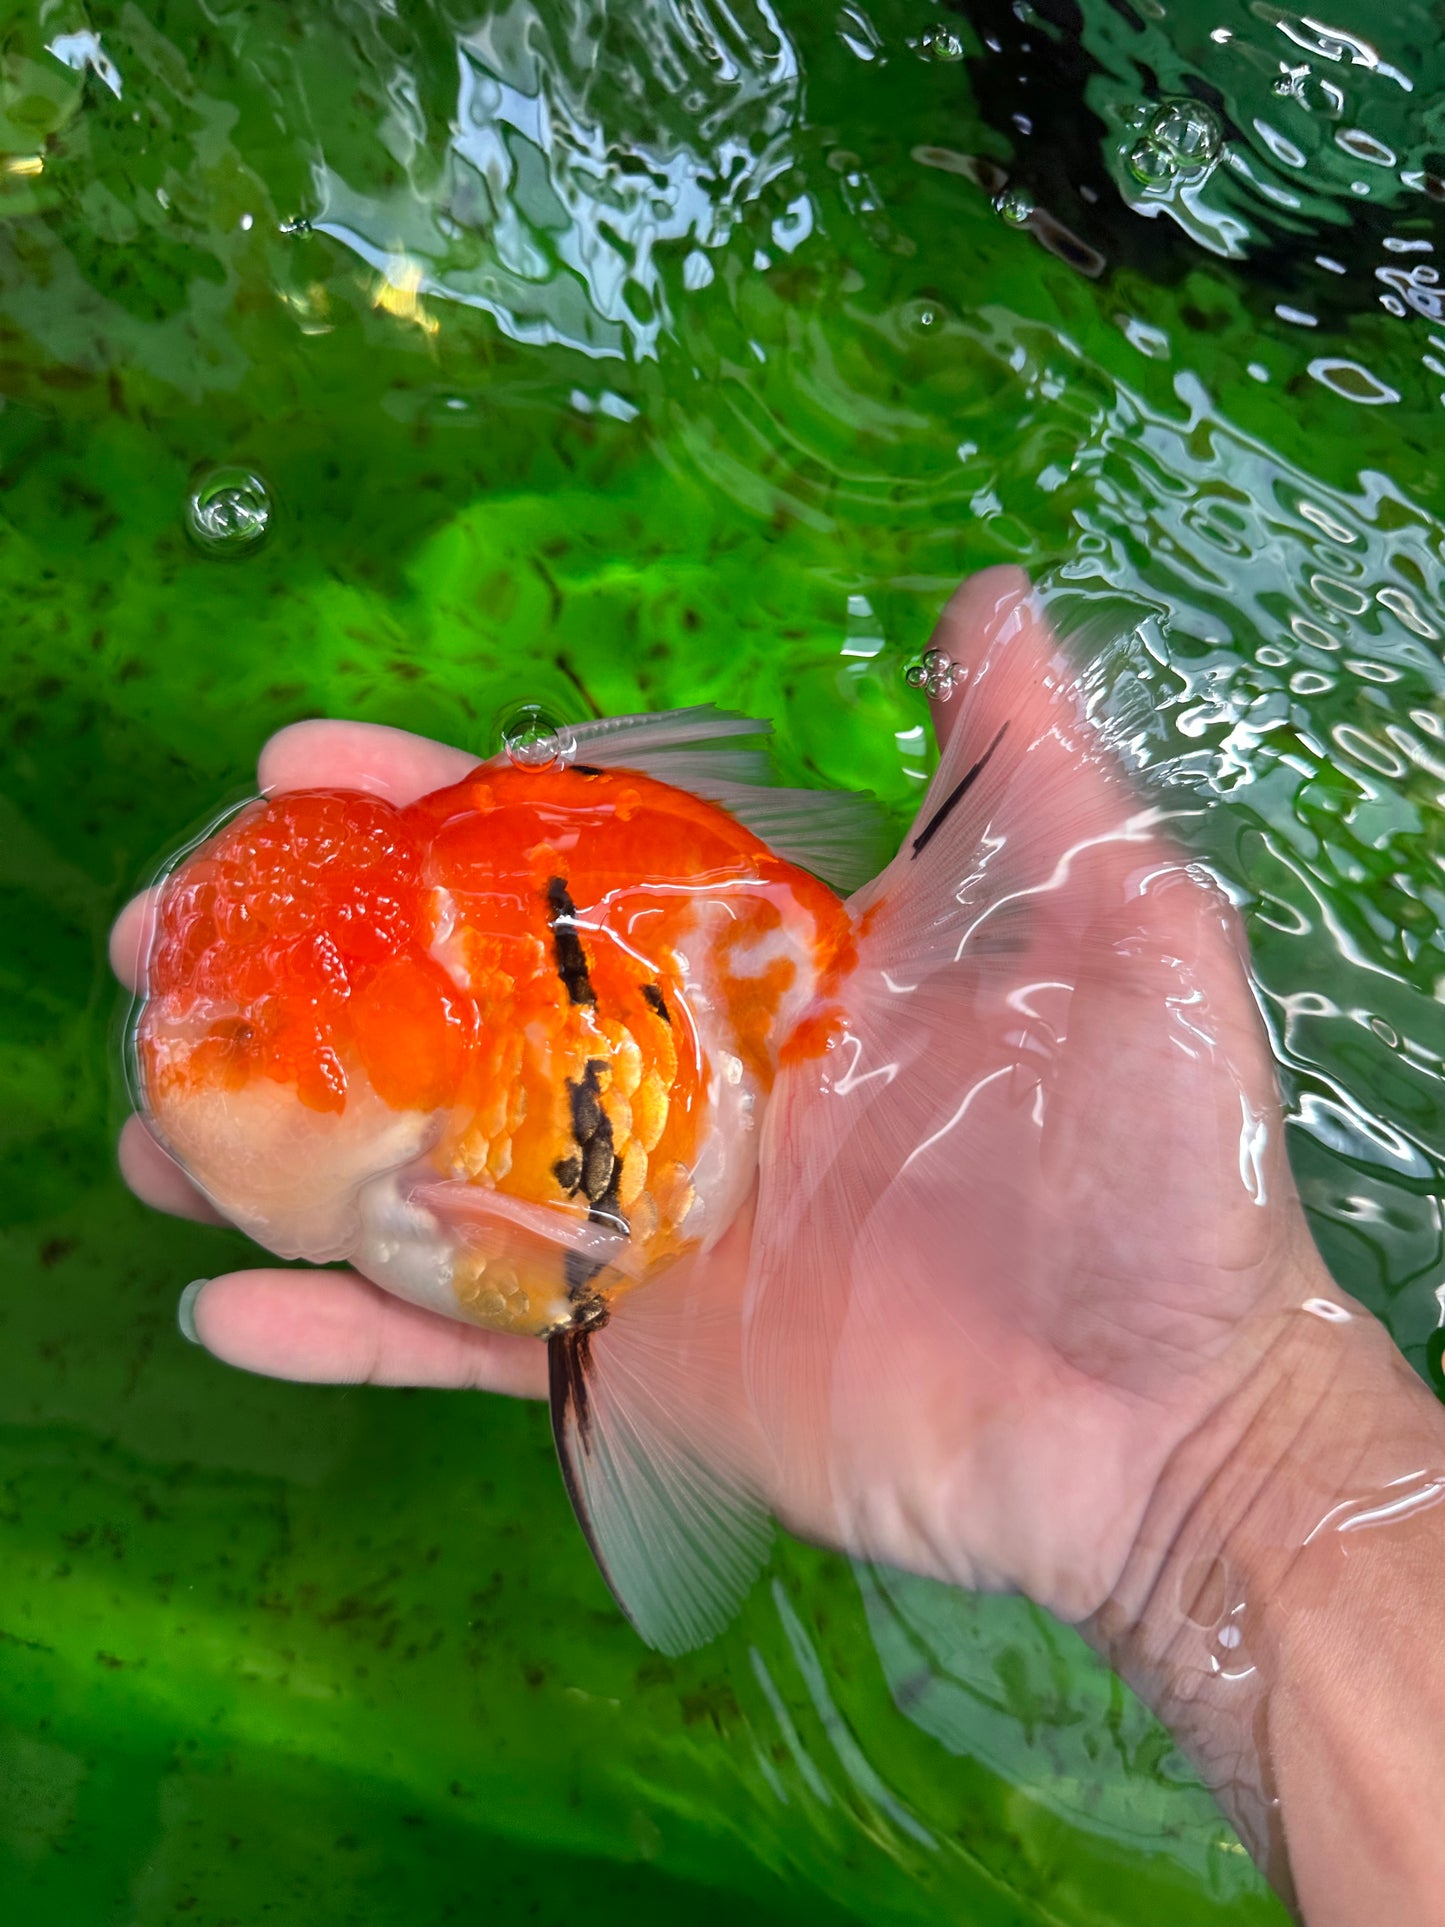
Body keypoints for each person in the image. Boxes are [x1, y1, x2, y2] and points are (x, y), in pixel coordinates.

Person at [109, 571, 1445, 1924]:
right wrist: (1214, 1471)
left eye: (235, 1039)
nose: (177, 1051)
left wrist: (1215, 1457)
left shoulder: (472, 1163)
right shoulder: (417, 1081)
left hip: (722, 1040)